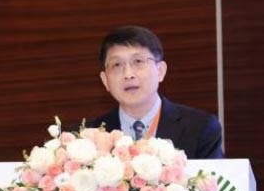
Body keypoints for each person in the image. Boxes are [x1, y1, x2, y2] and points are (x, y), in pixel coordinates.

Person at [90, 25, 224, 159]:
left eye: (138, 61)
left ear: (160, 71)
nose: (128, 74)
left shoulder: (200, 129)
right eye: (117, 65)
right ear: (105, 80)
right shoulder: (88, 136)